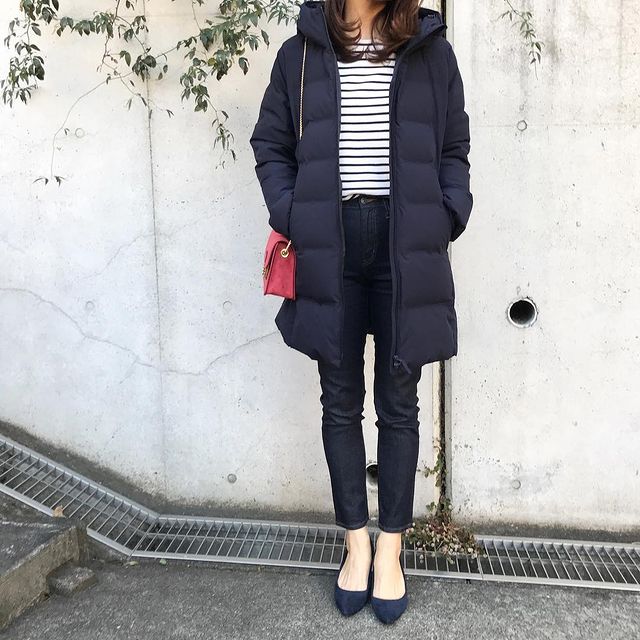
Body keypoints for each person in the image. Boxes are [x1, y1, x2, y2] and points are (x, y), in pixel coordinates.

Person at [249, 0, 472, 624]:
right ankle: (355, 544)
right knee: (340, 400)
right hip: (330, 244)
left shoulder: (429, 50)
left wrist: (446, 213)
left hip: (407, 246)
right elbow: (270, 143)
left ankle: (391, 550)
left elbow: (454, 147)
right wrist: (293, 213)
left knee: (399, 401)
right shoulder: (302, 53)